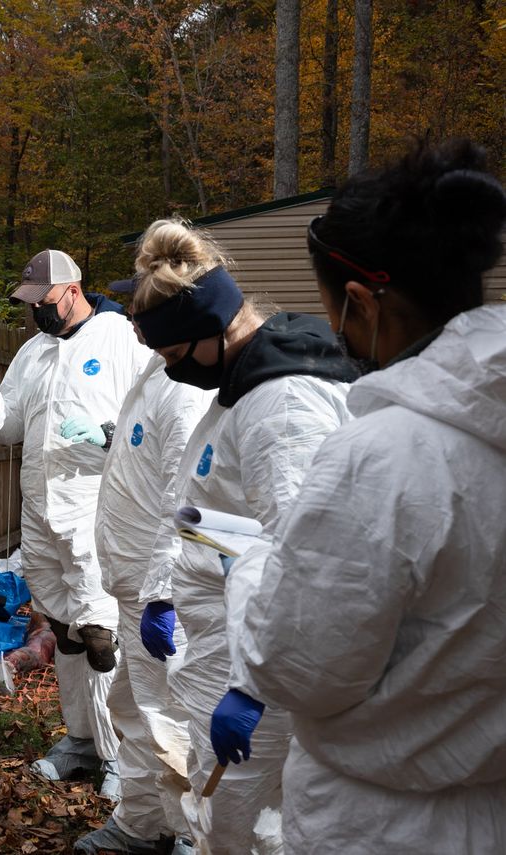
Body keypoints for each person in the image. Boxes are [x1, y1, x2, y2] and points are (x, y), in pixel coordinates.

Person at [219, 140, 506, 853]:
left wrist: (254, 566)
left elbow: (300, 666)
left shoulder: (381, 458)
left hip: (382, 822)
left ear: (359, 301)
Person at [129, 221, 356, 853]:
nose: (172, 372)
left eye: (174, 357)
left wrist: (254, 688)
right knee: (225, 810)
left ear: (209, 330)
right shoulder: (241, 388)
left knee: (249, 824)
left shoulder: (282, 409)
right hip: (225, 643)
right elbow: (197, 508)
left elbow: (308, 558)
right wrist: (160, 590)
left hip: (256, 662)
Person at [0, 250, 149, 799]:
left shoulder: (120, 338)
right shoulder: (33, 350)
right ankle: (80, 739)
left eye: (42, 302)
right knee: (65, 633)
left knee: (101, 634)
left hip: (97, 507)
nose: (36, 313)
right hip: (42, 512)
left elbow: (152, 417)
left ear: (72, 290)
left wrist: (107, 432)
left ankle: (120, 754)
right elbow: (9, 428)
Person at [75, 277, 213, 855]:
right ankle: (140, 824)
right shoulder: (157, 369)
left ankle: (185, 834)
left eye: (143, 309)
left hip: (162, 593)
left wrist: (161, 592)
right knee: (133, 707)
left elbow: (188, 501)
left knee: (172, 717)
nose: (132, 318)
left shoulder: (185, 388)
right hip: (133, 585)